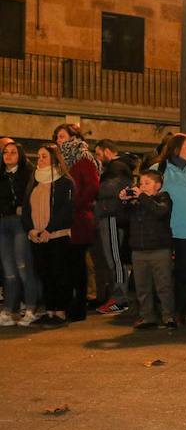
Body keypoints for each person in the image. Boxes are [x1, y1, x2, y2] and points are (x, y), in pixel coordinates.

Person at [154, 134, 186, 325]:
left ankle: (179, 311)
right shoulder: (159, 169)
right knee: (162, 272)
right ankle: (162, 309)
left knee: (184, 273)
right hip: (164, 230)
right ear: (176, 148)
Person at [23, 144, 75, 329]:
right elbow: (26, 208)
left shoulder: (64, 182)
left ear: (54, 158)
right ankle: (50, 310)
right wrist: (30, 229)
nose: (40, 160)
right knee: (44, 273)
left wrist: (49, 229)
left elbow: (66, 211)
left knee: (59, 272)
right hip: (37, 236)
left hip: (57, 235)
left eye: (44, 156)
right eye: (38, 156)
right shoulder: (34, 180)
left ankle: (60, 312)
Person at [118, 170, 174, 330]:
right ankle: (147, 316)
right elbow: (121, 219)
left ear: (158, 185)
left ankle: (168, 316)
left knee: (164, 285)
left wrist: (142, 197)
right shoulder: (135, 203)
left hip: (159, 249)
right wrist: (122, 201)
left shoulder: (164, 198)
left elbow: (160, 211)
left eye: (147, 183)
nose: (142, 187)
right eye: (141, 183)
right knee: (142, 287)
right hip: (138, 250)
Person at [55, 124, 100, 322]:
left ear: (73, 137)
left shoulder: (83, 158)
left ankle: (79, 306)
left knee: (77, 264)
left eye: (62, 136)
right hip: (64, 219)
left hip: (79, 217)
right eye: (56, 137)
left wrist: (75, 204)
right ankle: (67, 303)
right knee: (66, 265)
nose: (58, 140)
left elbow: (92, 186)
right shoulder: (59, 160)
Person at [0, 142, 38, 327]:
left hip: (20, 225)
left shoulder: (27, 174)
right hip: (2, 224)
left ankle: (30, 309)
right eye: (5, 152)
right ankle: (8, 311)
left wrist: (22, 208)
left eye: (13, 152)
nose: (8, 155)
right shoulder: (1, 175)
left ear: (20, 155)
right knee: (9, 272)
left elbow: (32, 197)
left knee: (23, 267)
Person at [93, 139, 132, 314]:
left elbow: (112, 189)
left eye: (99, 154)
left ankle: (120, 299)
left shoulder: (116, 167)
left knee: (115, 259)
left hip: (112, 216)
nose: (98, 159)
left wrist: (96, 187)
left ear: (107, 151)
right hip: (111, 215)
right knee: (114, 259)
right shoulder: (119, 167)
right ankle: (118, 297)